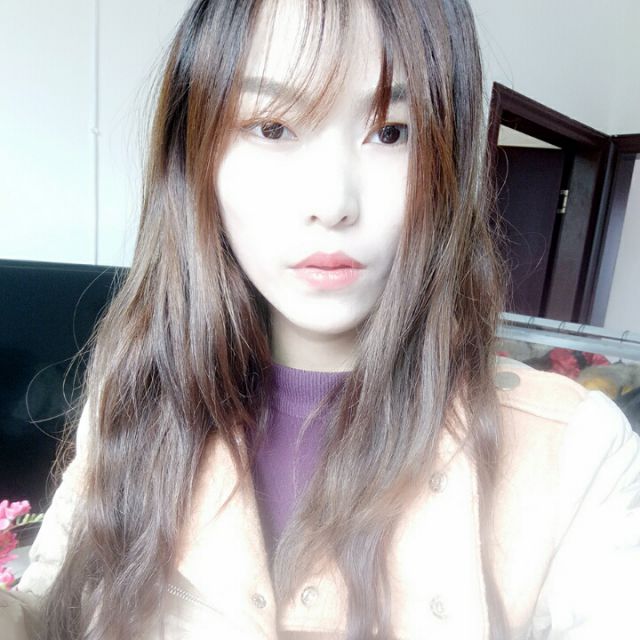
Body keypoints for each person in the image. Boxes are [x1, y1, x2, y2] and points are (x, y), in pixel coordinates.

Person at [3, 0, 640, 638]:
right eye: (272, 127)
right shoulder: (133, 400)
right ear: (195, 159)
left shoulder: (576, 453)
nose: (333, 202)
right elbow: (48, 612)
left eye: (391, 132)